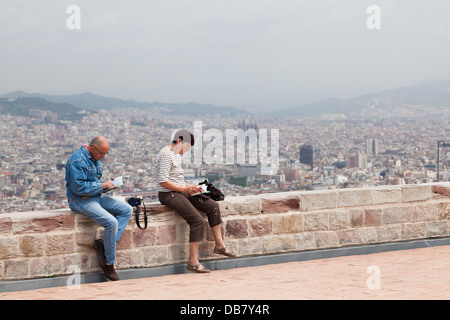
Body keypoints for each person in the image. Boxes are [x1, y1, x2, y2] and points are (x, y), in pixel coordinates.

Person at [155, 129, 236, 273]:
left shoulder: (176, 154)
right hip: (169, 194)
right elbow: (163, 181)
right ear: (179, 141)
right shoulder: (166, 154)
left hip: (180, 190)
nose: (186, 150)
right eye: (186, 147)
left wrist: (191, 188)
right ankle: (193, 262)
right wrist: (184, 190)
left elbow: (177, 180)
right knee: (197, 221)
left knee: (213, 206)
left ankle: (219, 245)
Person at [65, 136, 132, 281]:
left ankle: (106, 244)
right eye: (101, 153)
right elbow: (79, 188)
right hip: (80, 200)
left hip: (95, 197)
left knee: (127, 210)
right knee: (111, 222)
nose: (102, 157)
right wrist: (102, 185)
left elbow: (94, 184)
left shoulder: (94, 160)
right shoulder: (77, 160)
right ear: (92, 148)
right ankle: (109, 264)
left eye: (105, 154)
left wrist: (110, 185)